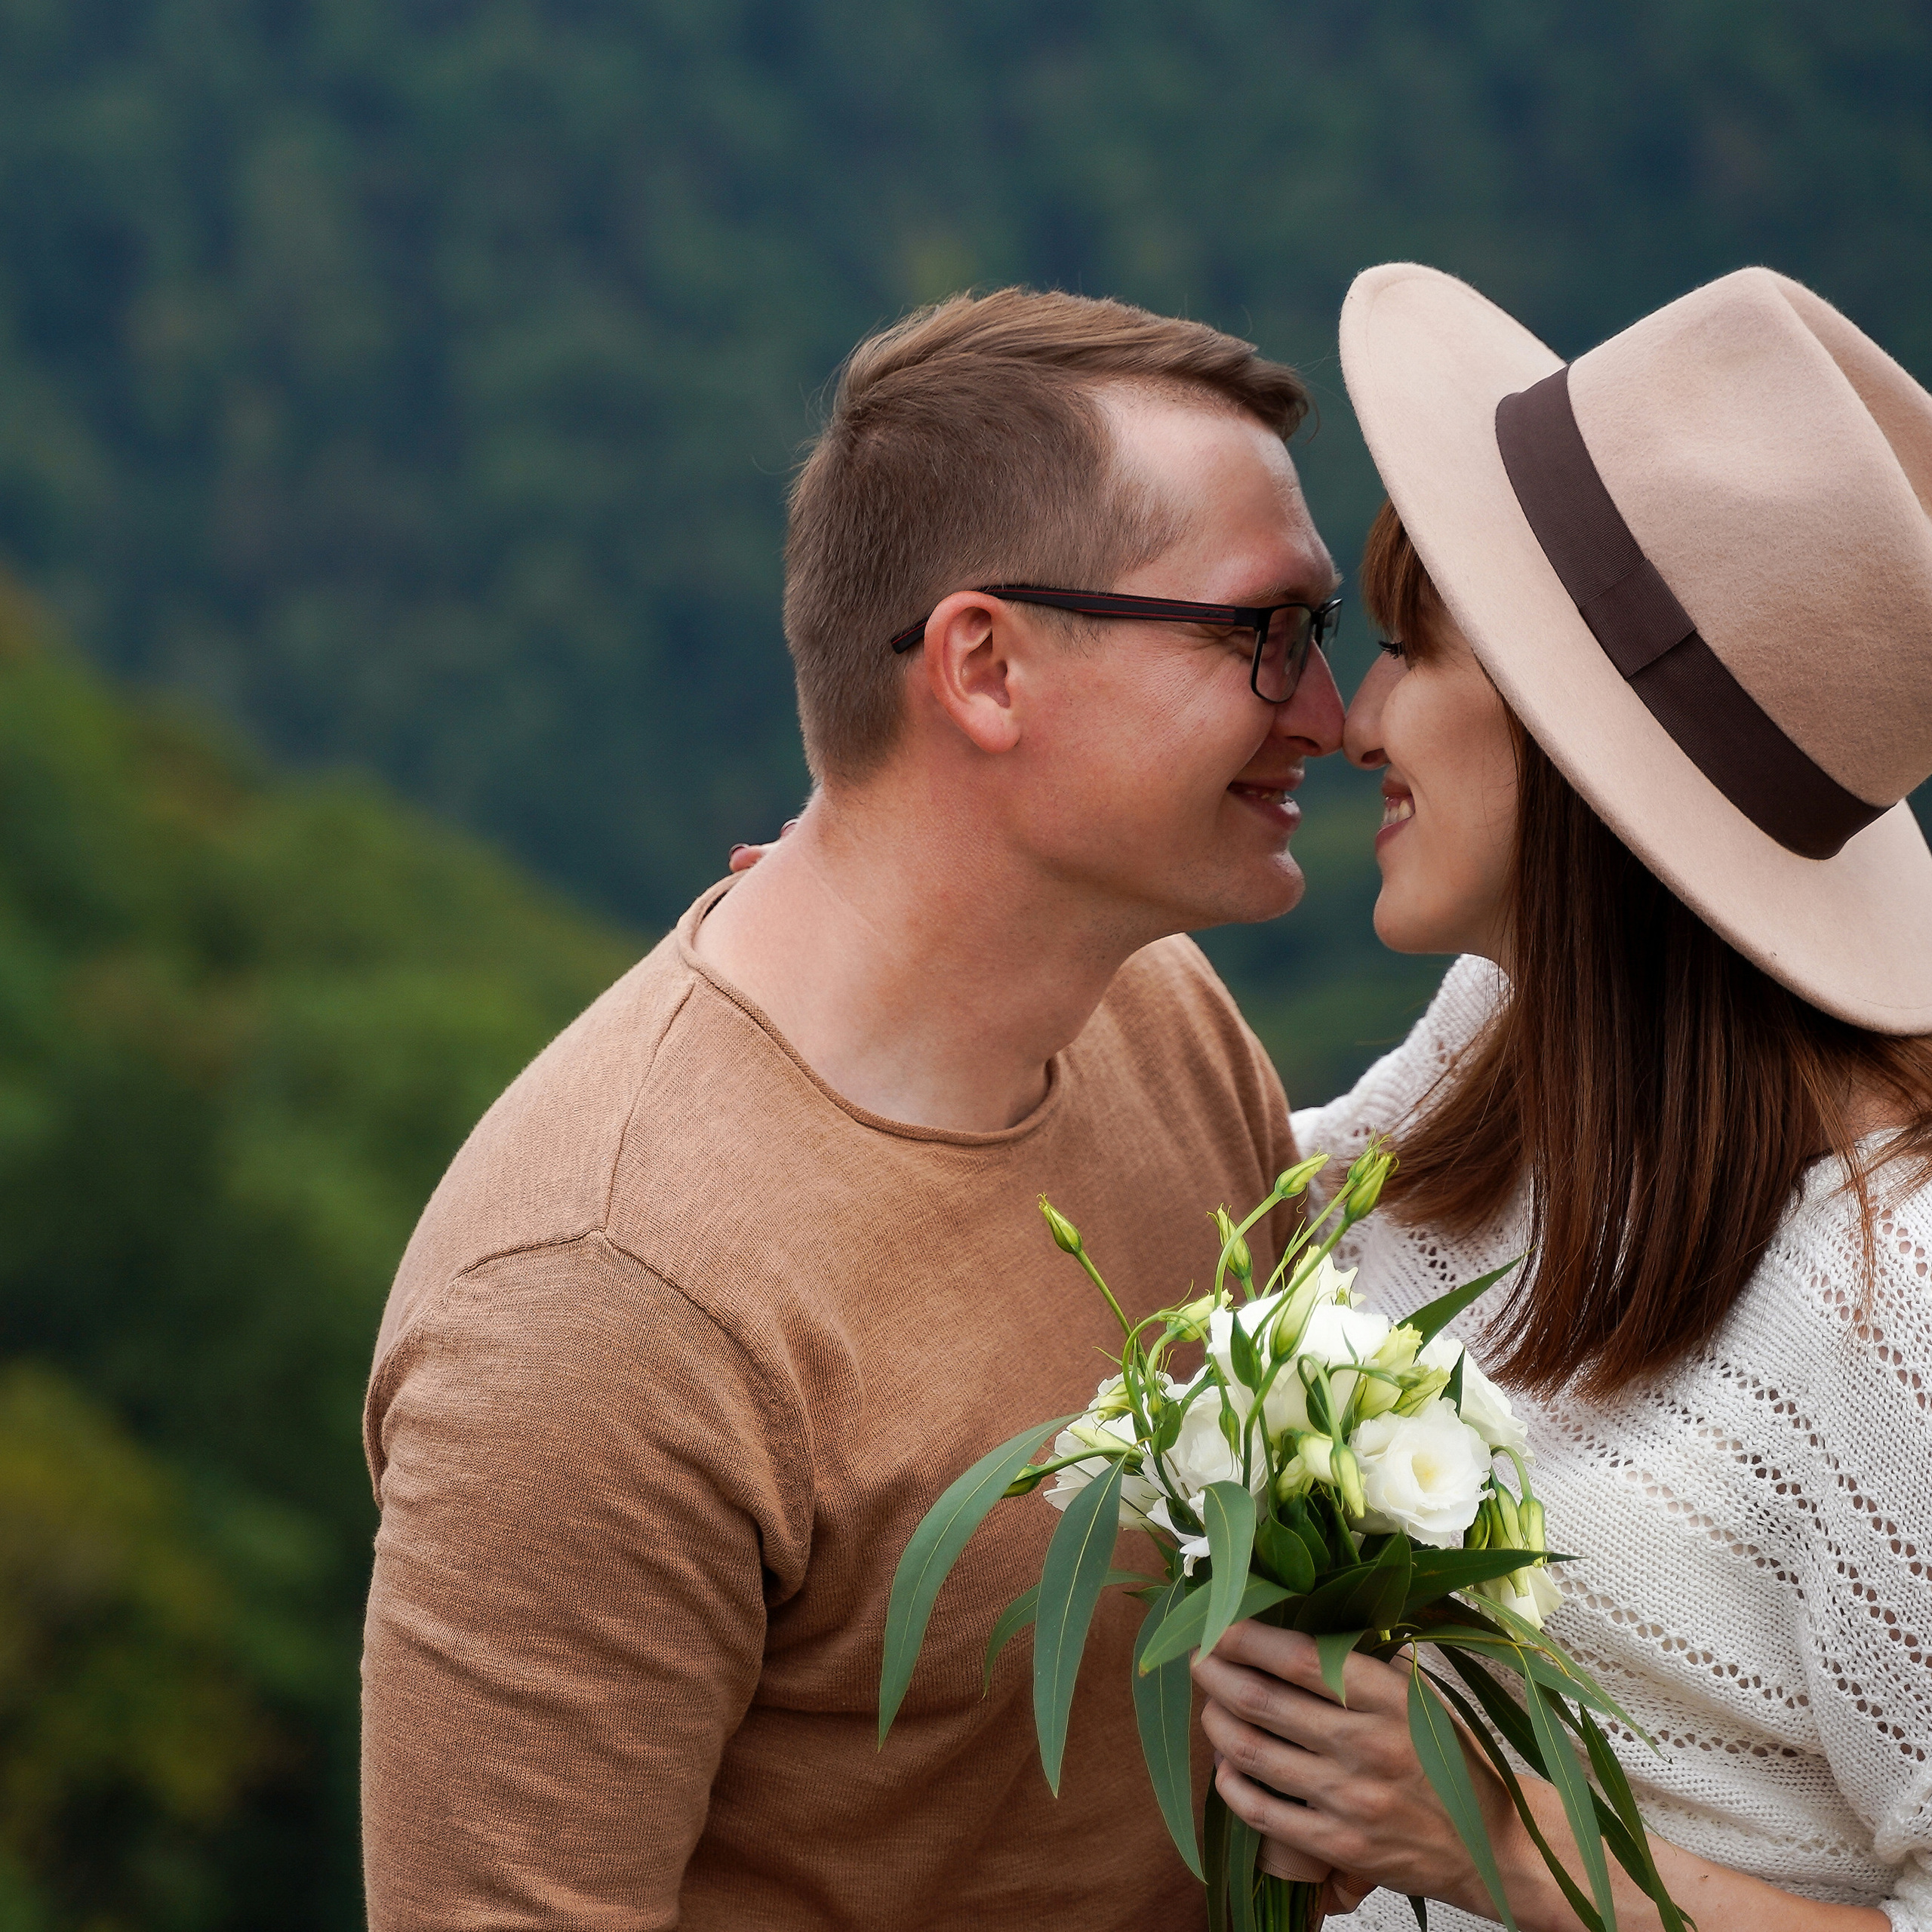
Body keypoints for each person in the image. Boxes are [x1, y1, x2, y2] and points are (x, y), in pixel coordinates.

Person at [358, 288, 1349, 1927]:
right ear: (986, 666)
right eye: (1264, 630)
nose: (1326, 712)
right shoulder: (598, 1305)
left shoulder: (1162, 1018)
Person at [1191, 264, 1932, 1930]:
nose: (1355, 720)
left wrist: (1506, 1846)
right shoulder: (1498, 1049)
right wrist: (907, 929)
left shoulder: (1897, 1306)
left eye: (1412, 650)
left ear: (1572, 741)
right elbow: (1202, 1219)